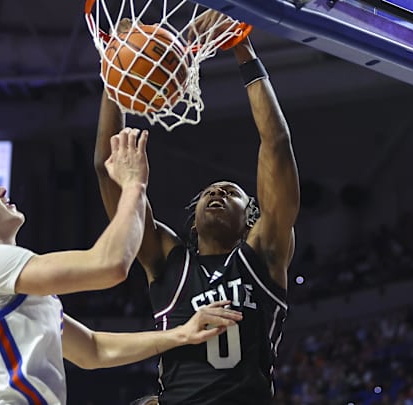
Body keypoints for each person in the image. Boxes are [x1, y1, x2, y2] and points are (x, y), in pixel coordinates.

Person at [0, 129, 242, 404]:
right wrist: (133, 186)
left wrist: (180, 335)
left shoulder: (3, 281)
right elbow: (109, 265)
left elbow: (93, 350)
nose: (1, 189)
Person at [94, 14, 300, 405]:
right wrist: (115, 74)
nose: (217, 192)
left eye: (230, 192)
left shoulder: (264, 255)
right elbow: (107, 168)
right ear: (193, 218)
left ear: (249, 220)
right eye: (209, 192)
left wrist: (244, 50)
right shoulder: (167, 262)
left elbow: (276, 145)